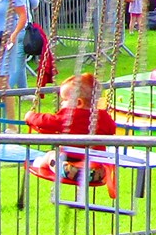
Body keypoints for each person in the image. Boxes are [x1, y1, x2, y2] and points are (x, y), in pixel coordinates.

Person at [24, 72, 122, 204]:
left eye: (64, 100)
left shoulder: (70, 116)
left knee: (50, 155)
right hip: (98, 173)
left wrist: (30, 116)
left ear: (78, 102)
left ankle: (39, 163)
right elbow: (111, 130)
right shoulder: (104, 117)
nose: (61, 103)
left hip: (70, 170)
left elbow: (46, 121)